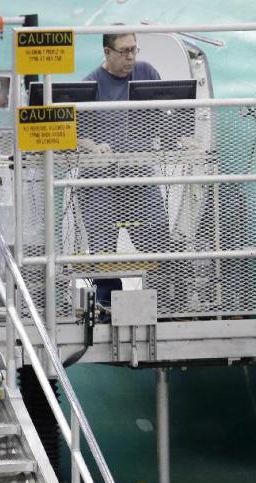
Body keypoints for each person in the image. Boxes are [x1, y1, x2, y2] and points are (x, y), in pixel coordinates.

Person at [77, 30, 171, 312]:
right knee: (103, 244)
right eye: (123, 51)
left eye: (134, 49)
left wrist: (180, 136)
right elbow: (74, 133)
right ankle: (107, 307)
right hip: (100, 180)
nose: (130, 57)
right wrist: (92, 146)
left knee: (157, 234)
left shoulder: (146, 72)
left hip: (139, 175)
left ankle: (164, 303)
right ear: (107, 52)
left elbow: (169, 112)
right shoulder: (91, 84)